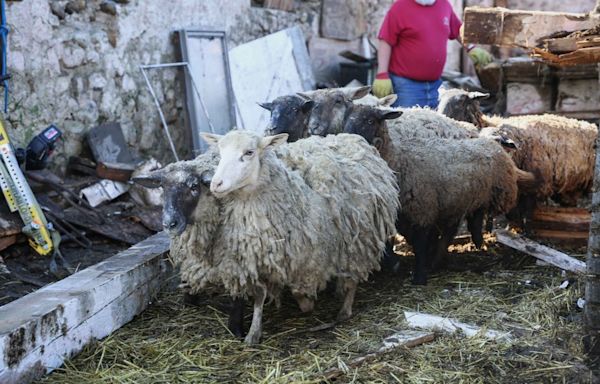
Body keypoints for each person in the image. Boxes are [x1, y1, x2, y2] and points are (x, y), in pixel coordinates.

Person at [372, 0, 492, 108]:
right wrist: (382, 74)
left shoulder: (444, 5)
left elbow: (457, 29)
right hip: (406, 87)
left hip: (436, 86)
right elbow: (385, 40)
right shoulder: (400, 7)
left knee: (432, 129)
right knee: (408, 128)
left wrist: (471, 48)